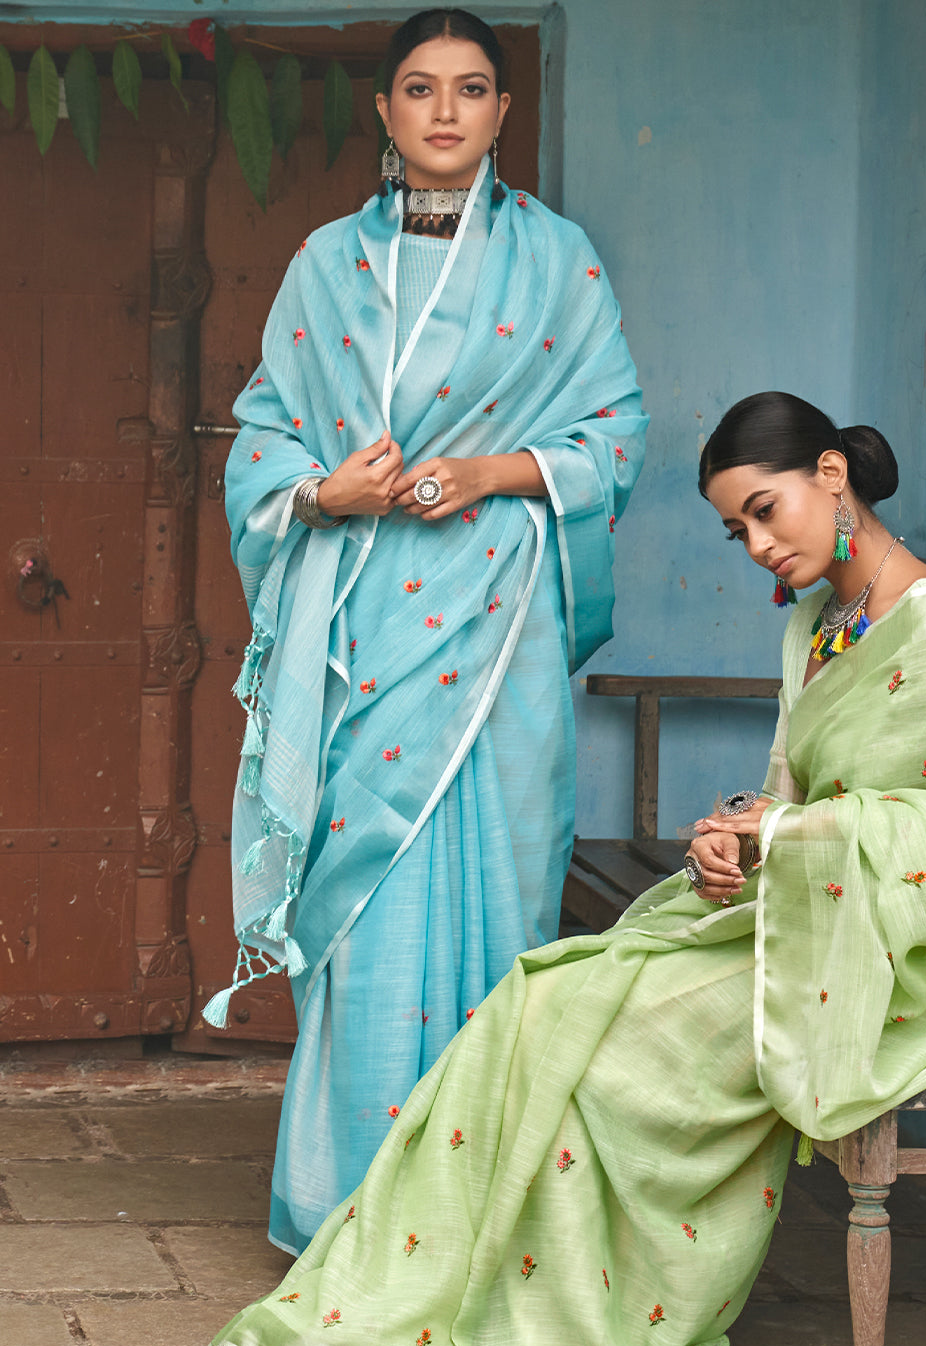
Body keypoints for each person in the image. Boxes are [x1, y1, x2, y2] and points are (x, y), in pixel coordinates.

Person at [168, 391, 926, 1346]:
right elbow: (789, 790)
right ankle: (349, 1326)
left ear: (832, 476)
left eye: (764, 510)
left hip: (891, 946)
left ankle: (546, 1327)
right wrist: (728, 841)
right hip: (794, 911)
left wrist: (777, 833)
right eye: (735, 527)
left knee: (590, 1042)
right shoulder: (824, 623)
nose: (752, 544)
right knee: (534, 997)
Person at [204, 7, 648, 1256]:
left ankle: (474, 1219)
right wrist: (320, 492)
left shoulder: (560, 261)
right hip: (360, 632)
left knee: (498, 905)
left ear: (505, 113)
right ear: (384, 114)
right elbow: (265, 432)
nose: (445, 110)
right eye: (418, 88)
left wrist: (499, 472)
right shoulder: (323, 266)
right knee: (366, 905)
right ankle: (350, 1213)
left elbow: (614, 438)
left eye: (470, 88)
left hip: (499, 627)